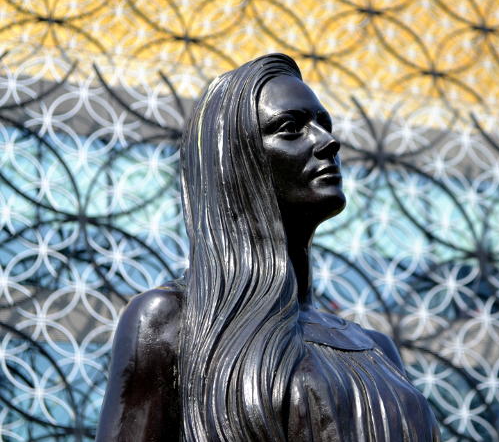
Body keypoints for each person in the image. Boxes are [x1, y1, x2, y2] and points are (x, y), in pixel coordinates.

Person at [95, 54, 441, 441]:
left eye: (323, 125)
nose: (328, 142)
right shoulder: (168, 321)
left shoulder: (378, 349)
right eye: (291, 127)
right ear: (235, 162)